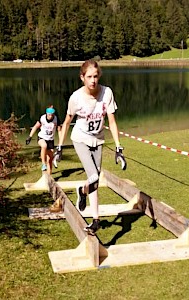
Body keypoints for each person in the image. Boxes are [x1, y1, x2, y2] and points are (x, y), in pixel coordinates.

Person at [55, 59, 127, 235]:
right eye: (89, 77)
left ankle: (95, 219)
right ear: (82, 77)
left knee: (94, 181)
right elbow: (66, 123)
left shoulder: (106, 93)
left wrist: (119, 148)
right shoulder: (76, 98)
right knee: (94, 176)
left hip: (98, 140)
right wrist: (59, 148)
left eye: (95, 76)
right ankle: (85, 195)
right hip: (80, 139)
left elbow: (112, 121)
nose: (93, 80)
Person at [26, 106, 61, 174]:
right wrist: (30, 136)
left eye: (52, 115)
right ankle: (43, 164)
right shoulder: (42, 118)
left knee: (50, 159)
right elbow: (36, 126)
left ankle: (49, 176)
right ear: (46, 114)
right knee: (44, 146)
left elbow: (59, 131)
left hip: (50, 140)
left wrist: (60, 142)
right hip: (41, 137)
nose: (50, 116)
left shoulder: (56, 119)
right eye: (49, 115)